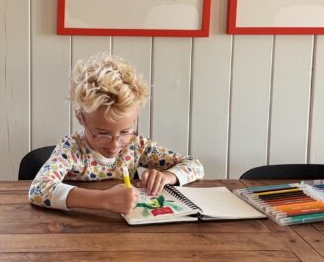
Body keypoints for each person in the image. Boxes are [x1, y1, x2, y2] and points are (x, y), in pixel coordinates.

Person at [28, 53, 204, 215]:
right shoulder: (71, 150)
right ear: (80, 117)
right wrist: (103, 200)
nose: (115, 144)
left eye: (125, 131)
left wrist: (166, 177)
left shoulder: (137, 146)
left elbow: (195, 166)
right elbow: (38, 190)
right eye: (102, 133)